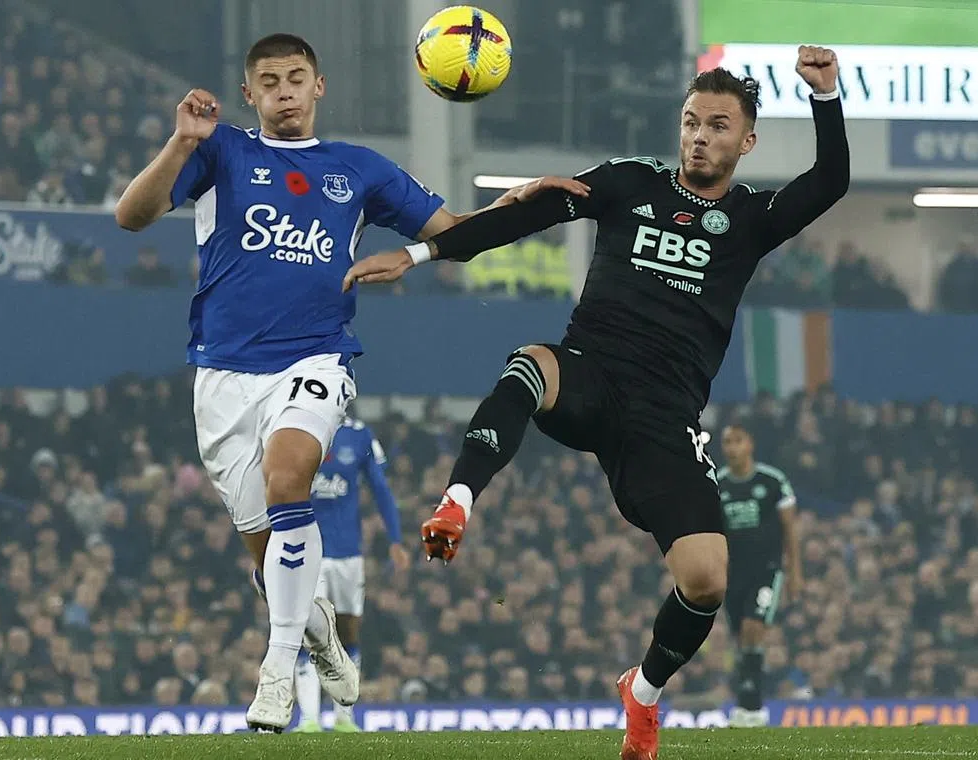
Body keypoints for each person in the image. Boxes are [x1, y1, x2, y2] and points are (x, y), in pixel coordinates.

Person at [345, 45, 848, 759]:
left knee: (706, 582)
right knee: (529, 364)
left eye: (717, 126)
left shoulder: (752, 221)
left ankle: (641, 693)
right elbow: (524, 214)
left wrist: (825, 97)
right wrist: (421, 255)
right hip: (589, 372)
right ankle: (457, 499)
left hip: (664, 419)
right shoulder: (627, 183)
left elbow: (831, 181)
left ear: (747, 141)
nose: (700, 135)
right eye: (691, 122)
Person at [113, 33, 583, 732]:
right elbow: (131, 215)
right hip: (222, 372)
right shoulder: (221, 152)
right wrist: (181, 142)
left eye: (295, 77)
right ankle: (317, 627)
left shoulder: (358, 169)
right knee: (268, 556)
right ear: (250, 95)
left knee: (289, 479)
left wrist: (522, 204)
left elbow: (452, 231)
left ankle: (276, 675)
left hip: (317, 358)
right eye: (268, 81)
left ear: (319, 86)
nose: (283, 91)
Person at [292, 415, 409, 733]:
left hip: (349, 554)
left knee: (348, 632)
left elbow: (381, 490)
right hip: (308, 550)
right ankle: (309, 720)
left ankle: (344, 717)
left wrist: (395, 539)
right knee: (311, 631)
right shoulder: (296, 427)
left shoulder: (359, 437)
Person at [716, 422, 801, 727]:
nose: (732, 447)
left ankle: (753, 707)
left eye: (737, 440)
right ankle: (746, 705)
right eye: (727, 442)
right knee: (742, 639)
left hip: (766, 570)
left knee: (754, 626)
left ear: (749, 443)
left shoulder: (773, 481)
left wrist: (794, 573)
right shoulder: (718, 485)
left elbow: (790, 529)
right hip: (732, 574)